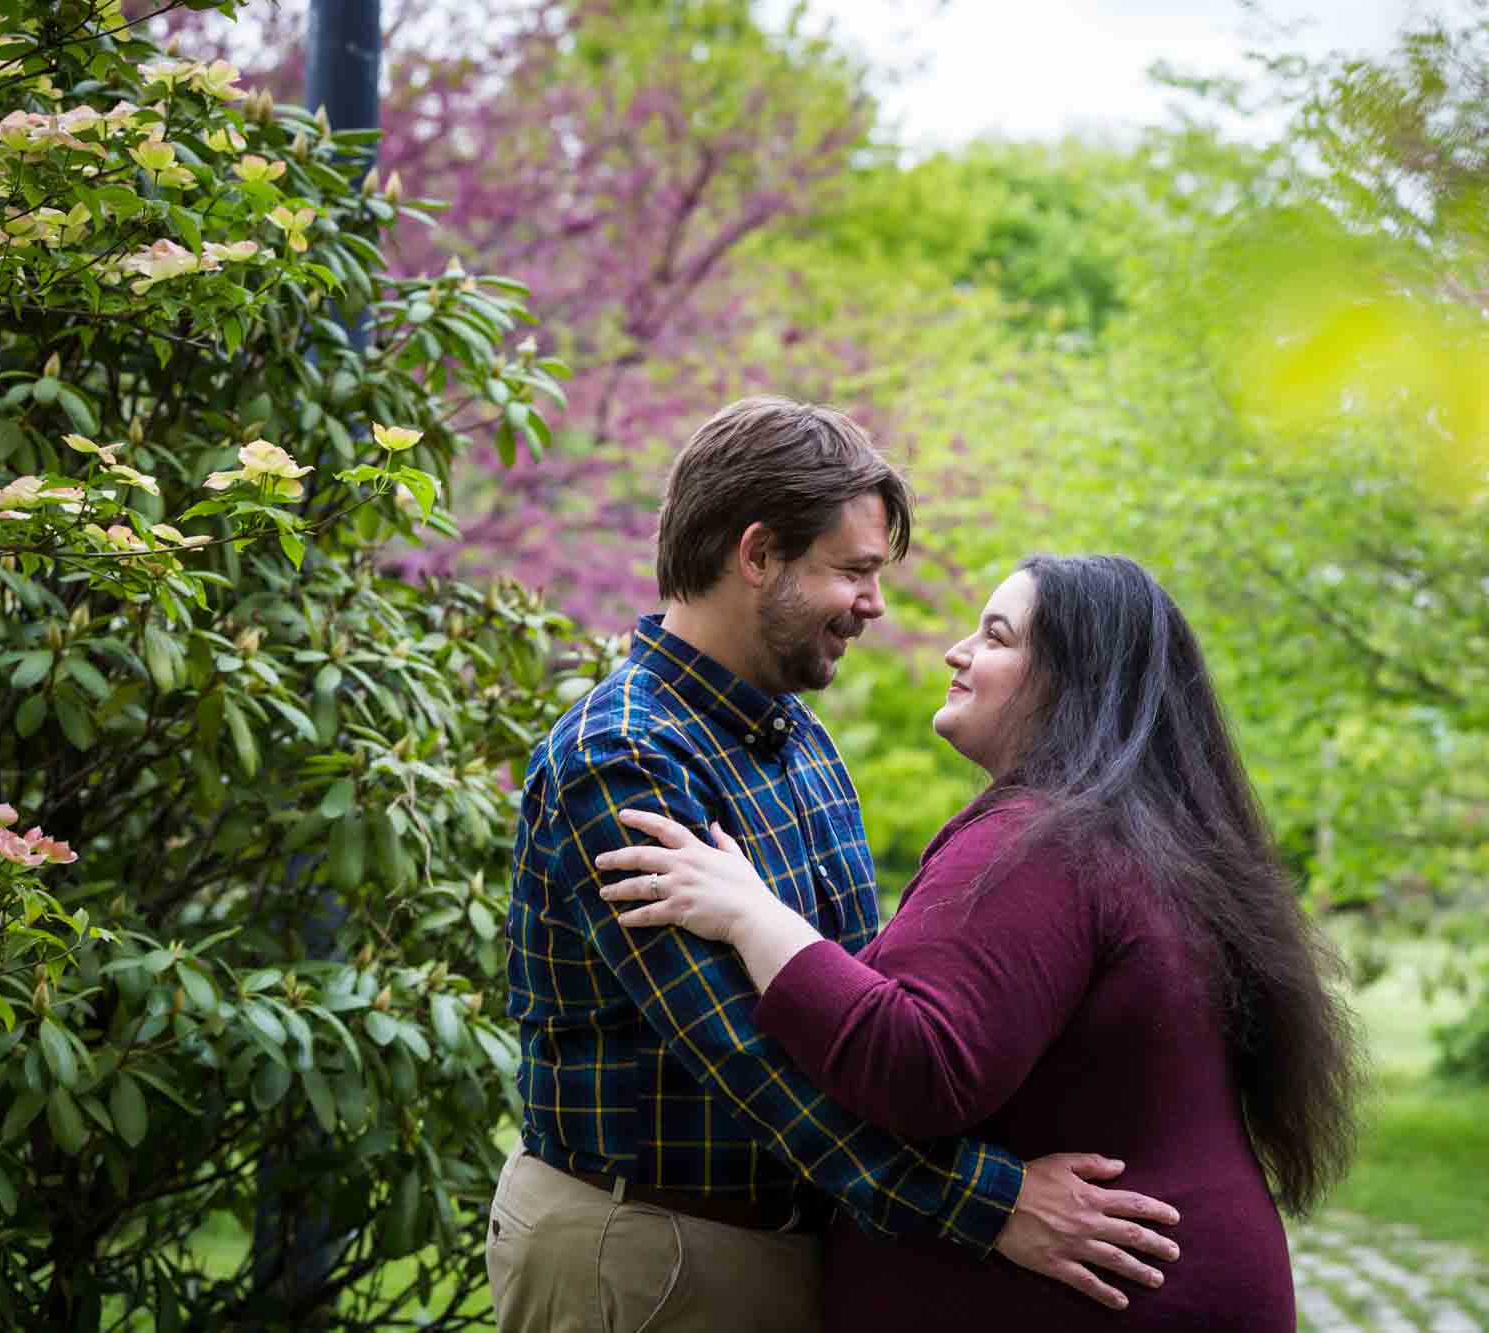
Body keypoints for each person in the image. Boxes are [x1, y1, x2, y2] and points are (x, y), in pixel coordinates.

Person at [489, 400, 1183, 1333]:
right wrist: (994, 1202)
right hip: (652, 1249)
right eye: (853, 570)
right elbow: (750, 1055)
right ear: (758, 553)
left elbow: (854, 1007)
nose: (875, 605)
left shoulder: (800, 742)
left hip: (783, 1235)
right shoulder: (623, 761)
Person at [598, 553, 1364, 1331]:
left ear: (1072, 682)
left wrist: (749, 914)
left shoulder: (1043, 843)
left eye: (996, 637)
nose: (956, 652)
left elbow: (917, 1064)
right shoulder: (1144, 835)